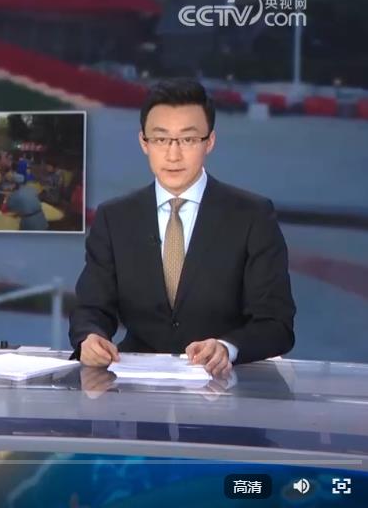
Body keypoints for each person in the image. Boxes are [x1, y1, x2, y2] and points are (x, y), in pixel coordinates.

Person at [69, 79, 295, 378]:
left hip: (227, 387)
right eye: (161, 139)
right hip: (135, 388)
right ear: (144, 143)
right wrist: (89, 338)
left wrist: (228, 347)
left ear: (209, 142)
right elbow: (91, 308)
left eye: (187, 140)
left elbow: (276, 324)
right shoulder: (115, 218)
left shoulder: (252, 216)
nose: (173, 155)